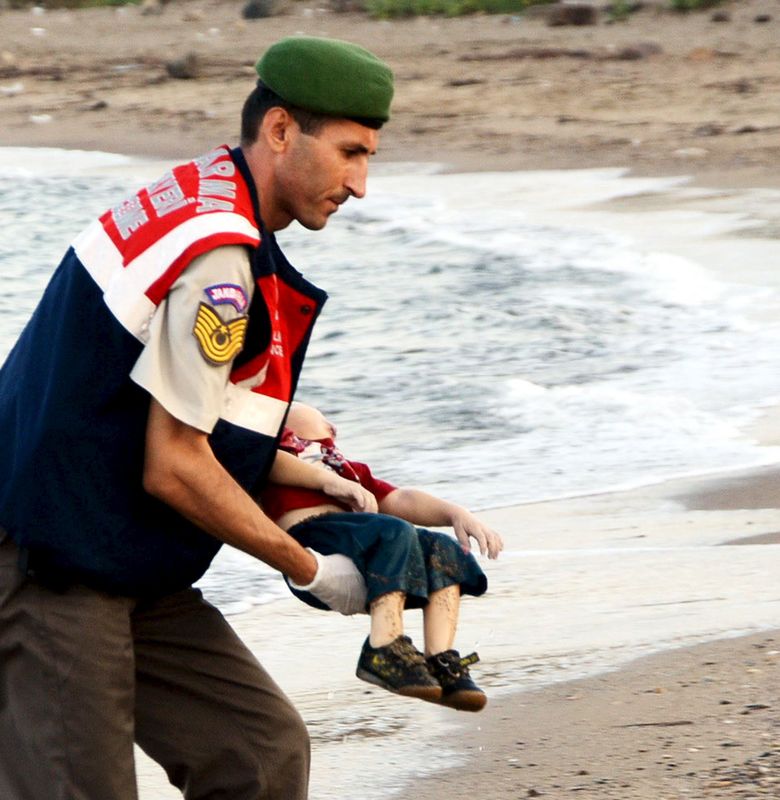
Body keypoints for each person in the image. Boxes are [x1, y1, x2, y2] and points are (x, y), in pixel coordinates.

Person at [0, 37, 394, 800]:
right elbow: (174, 462)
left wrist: (308, 475)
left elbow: (167, 415)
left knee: (260, 757)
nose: (361, 184)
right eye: (349, 153)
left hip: (118, 552)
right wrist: (308, 569)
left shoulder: (208, 192)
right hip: (42, 559)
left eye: (369, 156)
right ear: (280, 131)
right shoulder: (219, 256)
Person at [260, 402, 504, 712]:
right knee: (395, 531)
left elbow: (400, 498)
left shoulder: (347, 470)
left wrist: (455, 513)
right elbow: (266, 459)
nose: (330, 426)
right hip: (311, 541)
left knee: (442, 548)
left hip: (366, 552)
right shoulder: (275, 456)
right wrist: (327, 481)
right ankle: (383, 645)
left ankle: (440, 660)